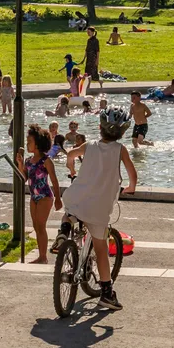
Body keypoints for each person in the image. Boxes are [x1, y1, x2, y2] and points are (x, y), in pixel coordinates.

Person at [61, 109, 137, 310]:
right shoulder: (120, 150)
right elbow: (132, 172)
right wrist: (130, 188)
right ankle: (106, 293)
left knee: (69, 210)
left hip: (78, 198)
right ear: (123, 133)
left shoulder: (90, 145)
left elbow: (70, 154)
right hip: (99, 208)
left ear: (99, 128)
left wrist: (71, 169)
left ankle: (63, 233)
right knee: (101, 250)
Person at [23, 125, 64, 264]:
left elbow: (54, 180)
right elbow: (24, 177)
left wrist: (58, 198)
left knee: (41, 225)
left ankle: (43, 257)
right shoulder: (28, 161)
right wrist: (19, 163)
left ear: (38, 144)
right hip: (33, 196)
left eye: (29, 142)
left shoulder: (46, 160)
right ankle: (41, 255)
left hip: (45, 196)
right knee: (36, 226)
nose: (27, 144)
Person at [83, 26, 101, 96]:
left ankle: (100, 81)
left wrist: (97, 60)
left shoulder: (96, 40)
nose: (88, 33)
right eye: (87, 32)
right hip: (88, 58)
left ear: (93, 32)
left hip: (93, 58)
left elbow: (98, 51)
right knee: (87, 71)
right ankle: (89, 84)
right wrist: (84, 58)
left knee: (93, 71)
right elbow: (86, 50)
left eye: (89, 32)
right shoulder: (89, 40)